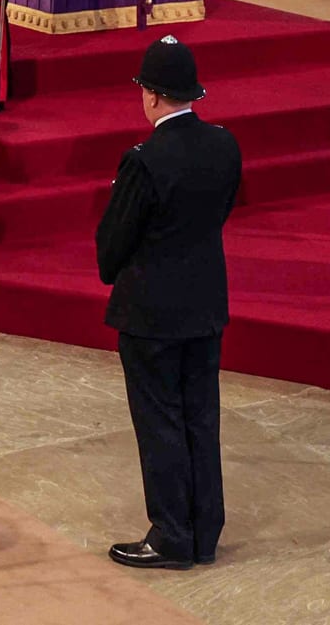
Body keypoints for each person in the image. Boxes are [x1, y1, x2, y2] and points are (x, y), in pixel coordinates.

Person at [96, 36, 241, 572]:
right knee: (201, 418)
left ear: (153, 97)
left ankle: (172, 535)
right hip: (205, 304)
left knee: (159, 421)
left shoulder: (143, 161)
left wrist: (114, 271)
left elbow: (114, 242)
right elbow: (222, 210)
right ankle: (205, 530)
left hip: (152, 314)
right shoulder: (225, 145)